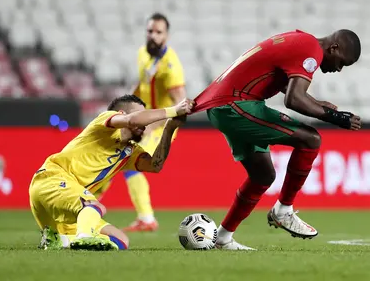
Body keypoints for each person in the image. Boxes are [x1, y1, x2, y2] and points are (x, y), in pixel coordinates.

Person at [193, 29, 362, 250]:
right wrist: (336, 117)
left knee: (263, 175)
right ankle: (284, 210)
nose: (339, 69)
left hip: (224, 104)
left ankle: (223, 238)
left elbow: (281, 80)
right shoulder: (311, 51)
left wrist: (317, 103)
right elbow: (293, 99)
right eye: (342, 63)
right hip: (235, 104)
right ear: (334, 48)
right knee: (311, 140)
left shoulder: (300, 40)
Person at [29, 95, 194, 251]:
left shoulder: (129, 151)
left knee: (121, 240)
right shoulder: (105, 122)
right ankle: (84, 236)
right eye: (141, 114)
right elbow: (132, 120)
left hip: (65, 203)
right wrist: (173, 110)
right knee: (95, 206)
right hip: (51, 179)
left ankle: (57, 239)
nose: (144, 123)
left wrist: (169, 128)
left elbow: (155, 166)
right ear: (120, 114)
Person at [95, 13, 186, 232]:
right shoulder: (143, 54)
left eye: (158, 32)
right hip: (143, 121)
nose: (153, 36)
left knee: (126, 160)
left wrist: (158, 127)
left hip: (159, 125)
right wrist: (127, 108)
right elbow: (142, 86)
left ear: (167, 36)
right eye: (150, 31)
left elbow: (181, 105)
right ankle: (89, 200)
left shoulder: (170, 66)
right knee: (114, 156)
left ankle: (146, 217)